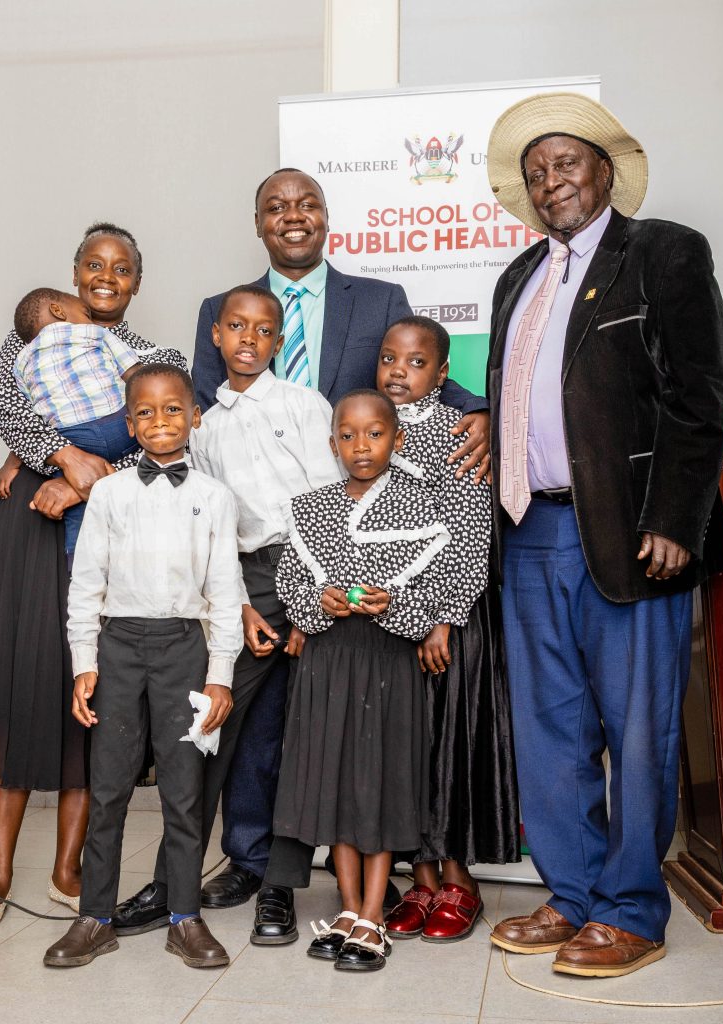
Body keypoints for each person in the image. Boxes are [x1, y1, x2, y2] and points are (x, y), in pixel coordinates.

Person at [183, 166, 492, 927]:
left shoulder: (378, 299)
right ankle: (253, 863)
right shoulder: (218, 309)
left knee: (337, 718)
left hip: (351, 549)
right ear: (257, 222)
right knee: (253, 725)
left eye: (307, 204)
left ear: (326, 217)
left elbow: (418, 376)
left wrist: (477, 411)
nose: (294, 217)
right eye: (276, 207)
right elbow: (195, 412)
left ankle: (353, 861)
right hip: (260, 558)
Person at [483, 93, 723, 977]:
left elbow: (698, 398)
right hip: (529, 529)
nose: (551, 181)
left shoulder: (662, 252)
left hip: (631, 535)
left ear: (603, 170)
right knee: (549, 729)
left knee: (636, 730)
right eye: (536, 171)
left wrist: (674, 517)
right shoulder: (517, 276)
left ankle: (630, 907)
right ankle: (575, 892)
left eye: (567, 163)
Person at [0, 223, 186, 930]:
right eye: (94, 264)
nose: (105, 277)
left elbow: (163, 444)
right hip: (29, 528)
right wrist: (61, 454)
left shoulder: (155, 358)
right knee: (19, 683)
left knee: (86, 694)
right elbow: (8, 409)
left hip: (108, 542)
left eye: (121, 269)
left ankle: (67, 869)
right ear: (74, 274)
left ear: (136, 284)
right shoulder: (28, 335)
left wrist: (91, 482)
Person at [119, 284, 342, 938]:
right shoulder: (203, 427)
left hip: (313, 573)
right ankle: (170, 883)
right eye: (236, 326)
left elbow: (333, 503)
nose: (249, 338)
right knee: (207, 735)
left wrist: (310, 605)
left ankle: (279, 889)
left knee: (299, 742)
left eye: (263, 329)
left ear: (278, 342)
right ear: (215, 335)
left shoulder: (305, 405)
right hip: (243, 580)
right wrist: (241, 606)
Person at [43, 364, 243, 970]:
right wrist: (84, 664)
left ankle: (184, 917)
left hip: (185, 647)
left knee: (185, 792)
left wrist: (220, 675)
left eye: (174, 409)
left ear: (195, 417)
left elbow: (225, 592)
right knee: (108, 790)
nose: (161, 422)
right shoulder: (108, 493)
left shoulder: (214, 497)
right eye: (147, 413)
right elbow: (85, 587)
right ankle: (95, 918)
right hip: (118, 649)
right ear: (130, 424)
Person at [272, 389, 460, 972]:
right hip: (328, 661)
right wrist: (319, 601)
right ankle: (350, 908)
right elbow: (291, 585)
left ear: (397, 439)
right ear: (332, 444)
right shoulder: (310, 507)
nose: (361, 445)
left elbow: (439, 588)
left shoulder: (422, 505)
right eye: (348, 435)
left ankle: (376, 912)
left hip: (387, 662)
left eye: (375, 433)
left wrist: (392, 603)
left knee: (379, 784)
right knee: (334, 779)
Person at [372, 317, 520, 944]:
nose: (398, 372)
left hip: (448, 619)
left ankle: (460, 878)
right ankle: (422, 878)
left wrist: (441, 618)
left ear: (441, 372)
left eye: (414, 362)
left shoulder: (455, 433)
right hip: (387, 619)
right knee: (402, 747)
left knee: (446, 743)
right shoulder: (371, 432)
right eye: (388, 359)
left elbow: (470, 535)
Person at [11, 287, 141, 560]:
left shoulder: (20, 361)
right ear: (59, 311)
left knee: (74, 503)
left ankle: (78, 565)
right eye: (86, 313)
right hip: (120, 425)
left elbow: (30, 409)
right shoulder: (96, 333)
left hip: (73, 439)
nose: (90, 319)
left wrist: (14, 460)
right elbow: (138, 377)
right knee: (161, 443)